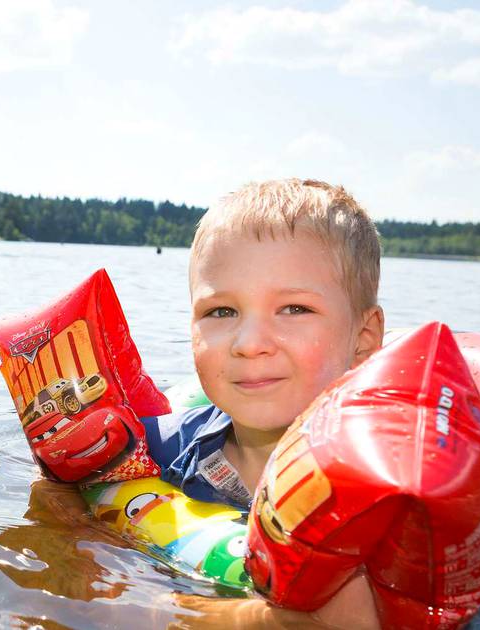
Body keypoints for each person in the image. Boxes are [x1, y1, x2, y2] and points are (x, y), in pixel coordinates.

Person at [141, 179, 386, 628]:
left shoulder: (385, 486)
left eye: (294, 308)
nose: (249, 344)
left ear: (363, 339)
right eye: (221, 312)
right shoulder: (158, 451)